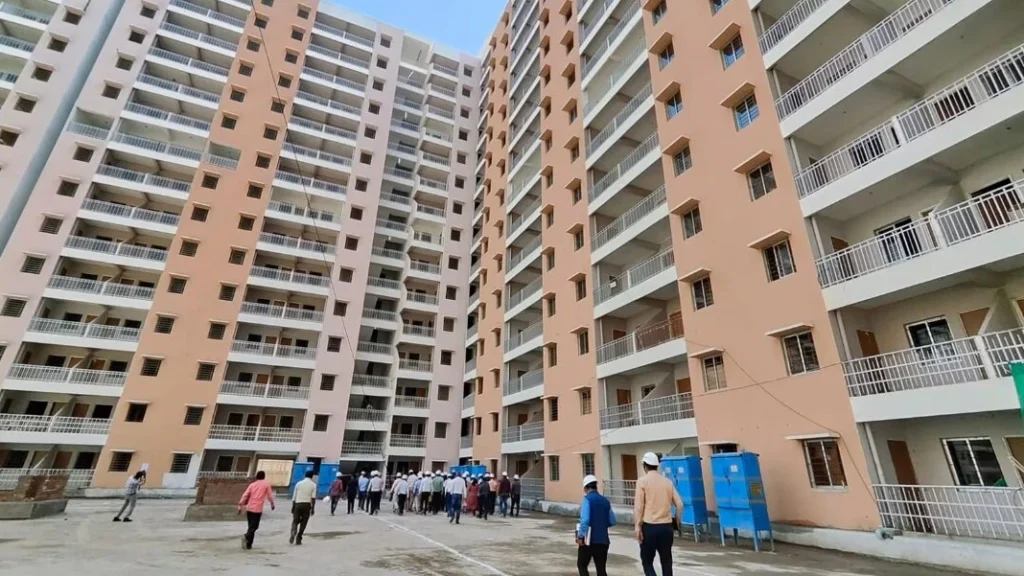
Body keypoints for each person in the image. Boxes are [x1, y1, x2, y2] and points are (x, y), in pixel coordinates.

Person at [634, 452, 683, 576]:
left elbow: (639, 507)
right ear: (657, 466)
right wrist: (676, 521)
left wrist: (637, 527)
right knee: (666, 562)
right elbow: (680, 505)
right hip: (666, 528)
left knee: (647, 561)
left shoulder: (642, 481)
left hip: (649, 527)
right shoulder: (667, 482)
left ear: (645, 466)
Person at [577, 474, 616, 576]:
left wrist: (580, 535)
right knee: (601, 569)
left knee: (582, 565)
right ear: (596, 486)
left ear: (585, 488)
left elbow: (585, 520)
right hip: (603, 541)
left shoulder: (587, 500)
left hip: (589, 541)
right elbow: (612, 521)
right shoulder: (605, 501)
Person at [238, 470, 276, 550]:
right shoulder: (266, 485)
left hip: (250, 508)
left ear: (256, 477)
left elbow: (245, 495)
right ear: (264, 476)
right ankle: (246, 536)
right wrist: (272, 504)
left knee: (251, 526)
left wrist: (240, 504)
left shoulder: (252, 485)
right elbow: (269, 496)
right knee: (254, 527)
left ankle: (249, 545)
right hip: (257, 509)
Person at [291, 469, 316, 545]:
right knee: (304, 522)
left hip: (298, 504)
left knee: (295, 520)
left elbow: (294, 497)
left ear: (305, 475)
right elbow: (313, 498)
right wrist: (312, 508)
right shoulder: (313, 485)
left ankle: (293, 532)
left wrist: (293, 507)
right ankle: (299, 537)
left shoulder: (298, 483)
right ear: (312, 476)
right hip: (306, 505)